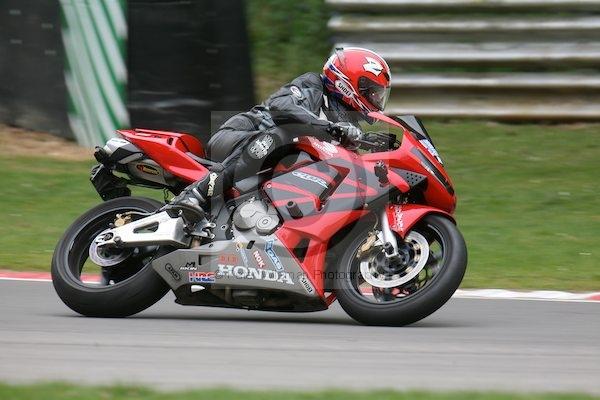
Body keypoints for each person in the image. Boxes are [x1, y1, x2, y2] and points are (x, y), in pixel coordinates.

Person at [167, 47, 392, 221]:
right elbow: (281, 107)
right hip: (240, 136)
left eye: (379, 95)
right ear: (349, 84)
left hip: (266, 164)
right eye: (373, 92)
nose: (376, 100)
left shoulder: (346, 123)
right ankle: (195, 194)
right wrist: (329, 127)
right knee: (281, 135)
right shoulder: (313, 86)